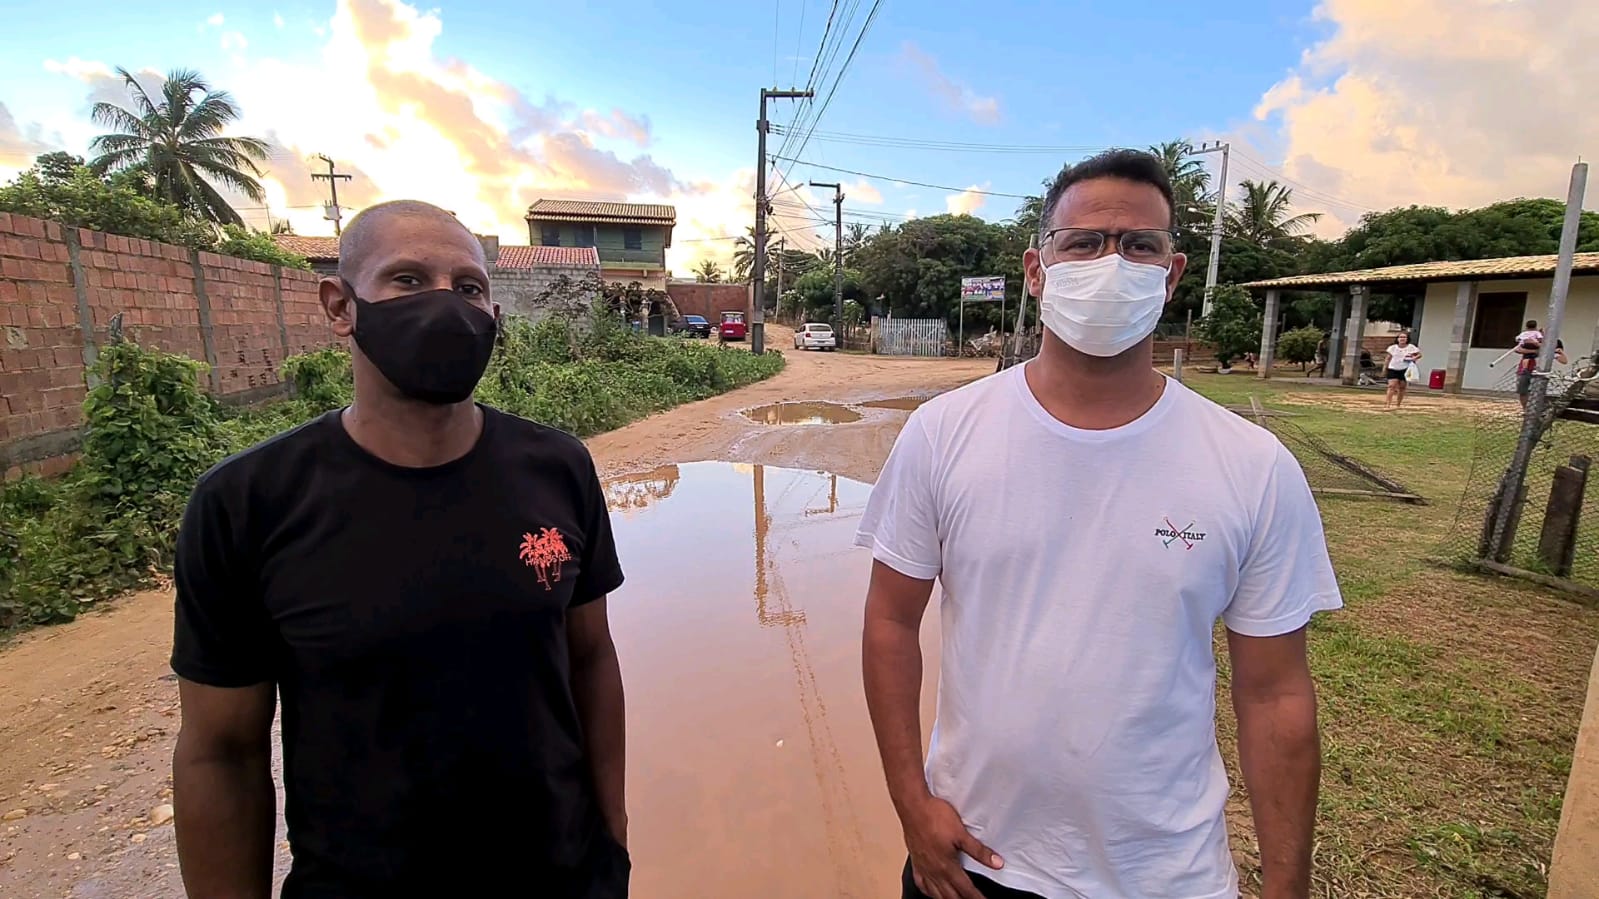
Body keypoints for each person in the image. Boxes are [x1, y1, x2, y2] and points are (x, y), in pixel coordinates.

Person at [859, 149, 1341, 899]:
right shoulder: (942, 432)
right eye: (1084, 242)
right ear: (1035, 268)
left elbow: (1274, 693)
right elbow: (890, 622)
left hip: (1163, 876)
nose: (1111, 262)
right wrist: (909, 802)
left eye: (1138, 245)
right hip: (974, 861)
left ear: (1172, 273)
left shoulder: (1251, 464)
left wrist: (1286, 886)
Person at [171, 200, 630, 899]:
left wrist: (613, 839)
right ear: (340, 306)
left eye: (468, 287)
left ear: (493, 315)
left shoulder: (558, 468)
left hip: (561, 879)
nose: (446, 305)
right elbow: (220, 750)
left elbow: (590, 657)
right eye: (408, 280)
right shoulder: (247, 503)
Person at [1382, 332, 1422, 409]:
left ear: (1407, 339)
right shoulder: (1392, 348)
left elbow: (1419, 354)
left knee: (1402, 387)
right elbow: (1388, 358)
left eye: (1404, 337)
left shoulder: (1411, 347)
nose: (1402, 339)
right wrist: (1385, 367)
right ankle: (1387, 404)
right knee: (1391, 386)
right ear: (1397, 339)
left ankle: (1398, 404)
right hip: (1393, 368)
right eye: (1400, 337)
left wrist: (1414, 358)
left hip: (1405, 369)